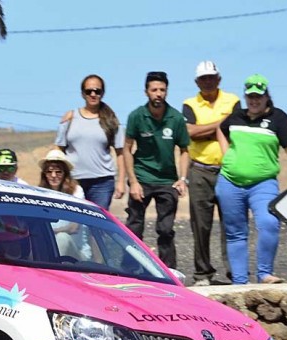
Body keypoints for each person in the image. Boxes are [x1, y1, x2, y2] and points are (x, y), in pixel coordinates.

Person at [216, 74, 287, 285]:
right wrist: (226, 155)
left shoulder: (278, 117)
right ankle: (239, 281)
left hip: (263, 183)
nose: (254, 100)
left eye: (258, 96)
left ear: (267, 96)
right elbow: (220, 130)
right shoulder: (236, 116)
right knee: (235, 232)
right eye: (250, 96)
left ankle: (264, 273)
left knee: (269, 223)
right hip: (230, 182)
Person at [123, 71, 190, 270]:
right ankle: (129, 270)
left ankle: (169, 272)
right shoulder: (136, 116)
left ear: (167, 92)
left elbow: (185, 150)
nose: (158, 94)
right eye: (154, 90)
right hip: (142, 177)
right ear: (146, 92)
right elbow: (126, 149)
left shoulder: (176, 118)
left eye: (162, 90)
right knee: (134, 227)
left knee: (166, 229)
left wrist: (183, 178)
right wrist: (133, 181)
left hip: (167, 180)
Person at [182, 61, 239, 286]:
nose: (208, 81)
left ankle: (236, 272)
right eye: (203, 78)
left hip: (228, 170)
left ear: (219, 79)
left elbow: (233, 128)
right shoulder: (189, 104)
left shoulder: (232, 100)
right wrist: (219, 125)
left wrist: (206, 129)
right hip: (200, 170)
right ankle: (202, 273)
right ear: (197, 81)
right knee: (201, 225)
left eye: (211, 77)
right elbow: (189, 132)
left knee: (232, 223)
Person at [55, 74, 125, 209]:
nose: (93, 94)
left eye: (97, 91)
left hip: (102, 183)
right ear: (82, 94)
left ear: (102, 93)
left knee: (97, 223)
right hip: (73, 181)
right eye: (89, 91)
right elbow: (59, 149)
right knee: (73, 223)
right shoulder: (70, 117)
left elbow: (120, 153)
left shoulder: (111, 120)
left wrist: (121, 182)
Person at [37, 148, 88, 259]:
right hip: (47, 250)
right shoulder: (39, 194)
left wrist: (51, 232)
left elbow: (74, 227)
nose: (54, 175)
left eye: (58, 171)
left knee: (62, 238)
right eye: (49, 172)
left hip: (77, 254)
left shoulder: (76, 192)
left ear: (65, 173)